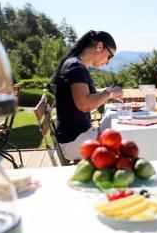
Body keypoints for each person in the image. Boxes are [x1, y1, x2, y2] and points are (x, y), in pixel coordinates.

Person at [51, 30, 123, 161]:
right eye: (110, 56)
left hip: (77, 135)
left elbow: (87, 98)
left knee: (119, 131)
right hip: (73, 141)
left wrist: (108, 92)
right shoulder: (75, 67)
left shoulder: (78, 65)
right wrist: (109, 92)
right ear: (99, 46)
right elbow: (85, 104)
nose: (108, 62)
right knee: (123, 142)